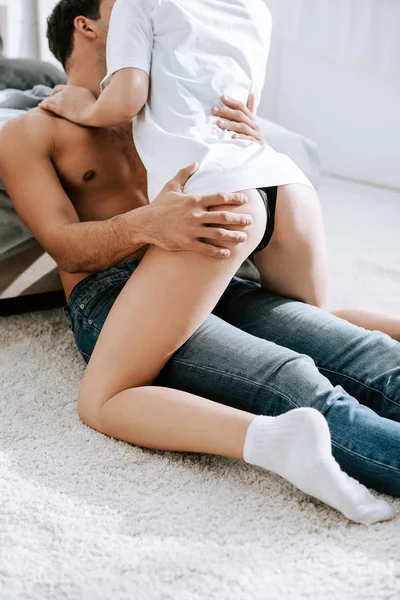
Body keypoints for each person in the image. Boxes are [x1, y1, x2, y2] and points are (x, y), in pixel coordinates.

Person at [0, 0, 399, 523]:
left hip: (214, 277)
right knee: (295, 384)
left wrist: (249, 145)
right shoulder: (31, 131)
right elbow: (65, 246)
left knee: (369, 358)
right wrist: (146, 224)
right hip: (115, 295)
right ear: (89, 25)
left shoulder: (171, 106)